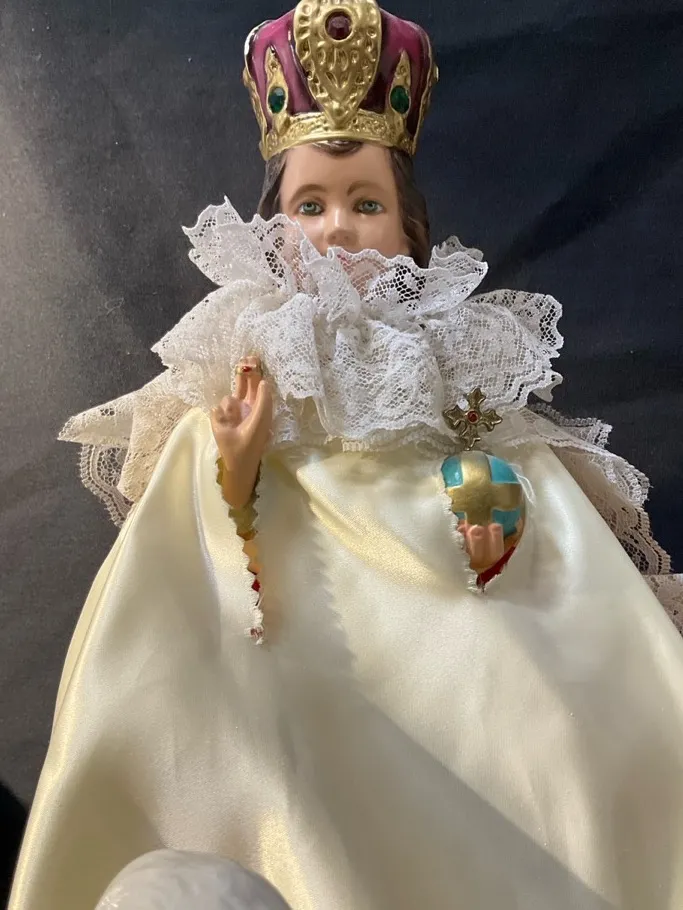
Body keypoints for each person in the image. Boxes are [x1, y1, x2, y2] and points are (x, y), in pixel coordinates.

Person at [8, 1, 683, 908]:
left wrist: (495, 491)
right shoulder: (247, 344)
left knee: (542, 710)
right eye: (310, 206)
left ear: (408, 231)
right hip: (299, 602)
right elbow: (196, 507)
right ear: (274, 228)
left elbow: (495, 446)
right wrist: (233, 459)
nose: (336, 229)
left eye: (366, 205)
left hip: (449, 585)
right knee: (271, 730)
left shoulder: (450, 345)